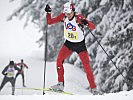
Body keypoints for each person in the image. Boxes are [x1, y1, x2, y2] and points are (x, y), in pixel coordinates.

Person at [45, 2, 98, 94]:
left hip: (80, 46)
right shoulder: (63, 16)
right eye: (66, 13)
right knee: (59, 61)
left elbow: (93, 27)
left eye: (69, 13)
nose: (67, 15)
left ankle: (94, 89)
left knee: (87, 66)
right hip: (68, 44)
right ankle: (60, 85)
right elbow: (49, 22)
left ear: (73, 11)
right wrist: (48, 13)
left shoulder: (79, 18)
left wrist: (87, 23)